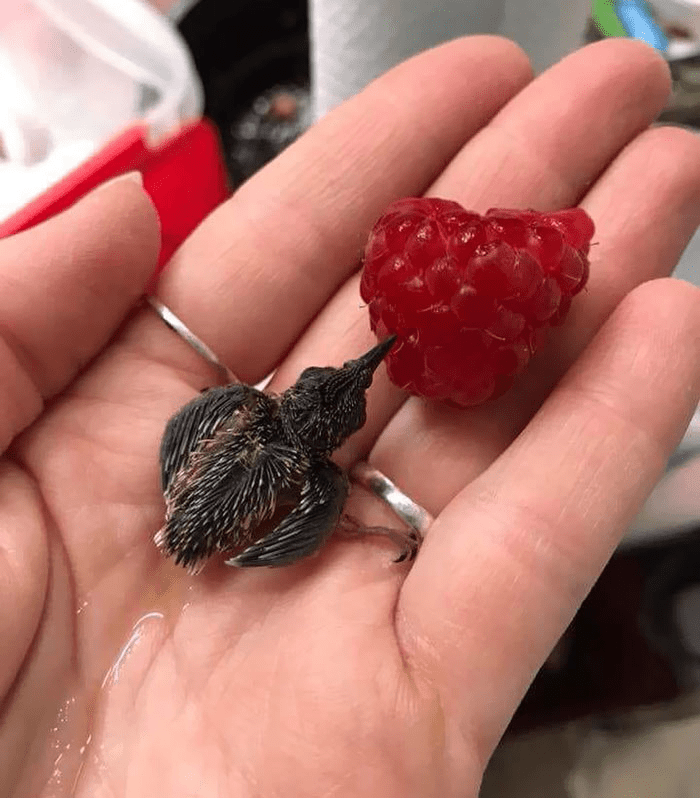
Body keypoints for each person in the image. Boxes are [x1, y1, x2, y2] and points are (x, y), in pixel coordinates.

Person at [2, 34, 700, 798]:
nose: (358, 368)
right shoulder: (309, 477)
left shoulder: (254, 427)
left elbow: (207, 431)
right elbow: (256, 478)